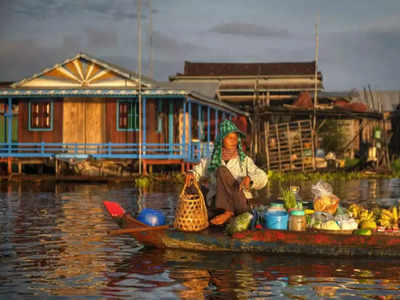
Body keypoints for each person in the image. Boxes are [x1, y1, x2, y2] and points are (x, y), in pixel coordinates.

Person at [185, 119, 268, 225]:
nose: (234, 141)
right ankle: (226, 214)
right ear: (221, 139)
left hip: (239, 204)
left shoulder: (244, 160)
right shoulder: (211, 159)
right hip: (217, 206)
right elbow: (198, 170)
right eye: (230, 138)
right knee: (197, 186)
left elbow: (263, 176)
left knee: (221, 170)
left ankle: (229, 212)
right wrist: (191, 173)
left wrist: (250, 180)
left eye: (235, 138)